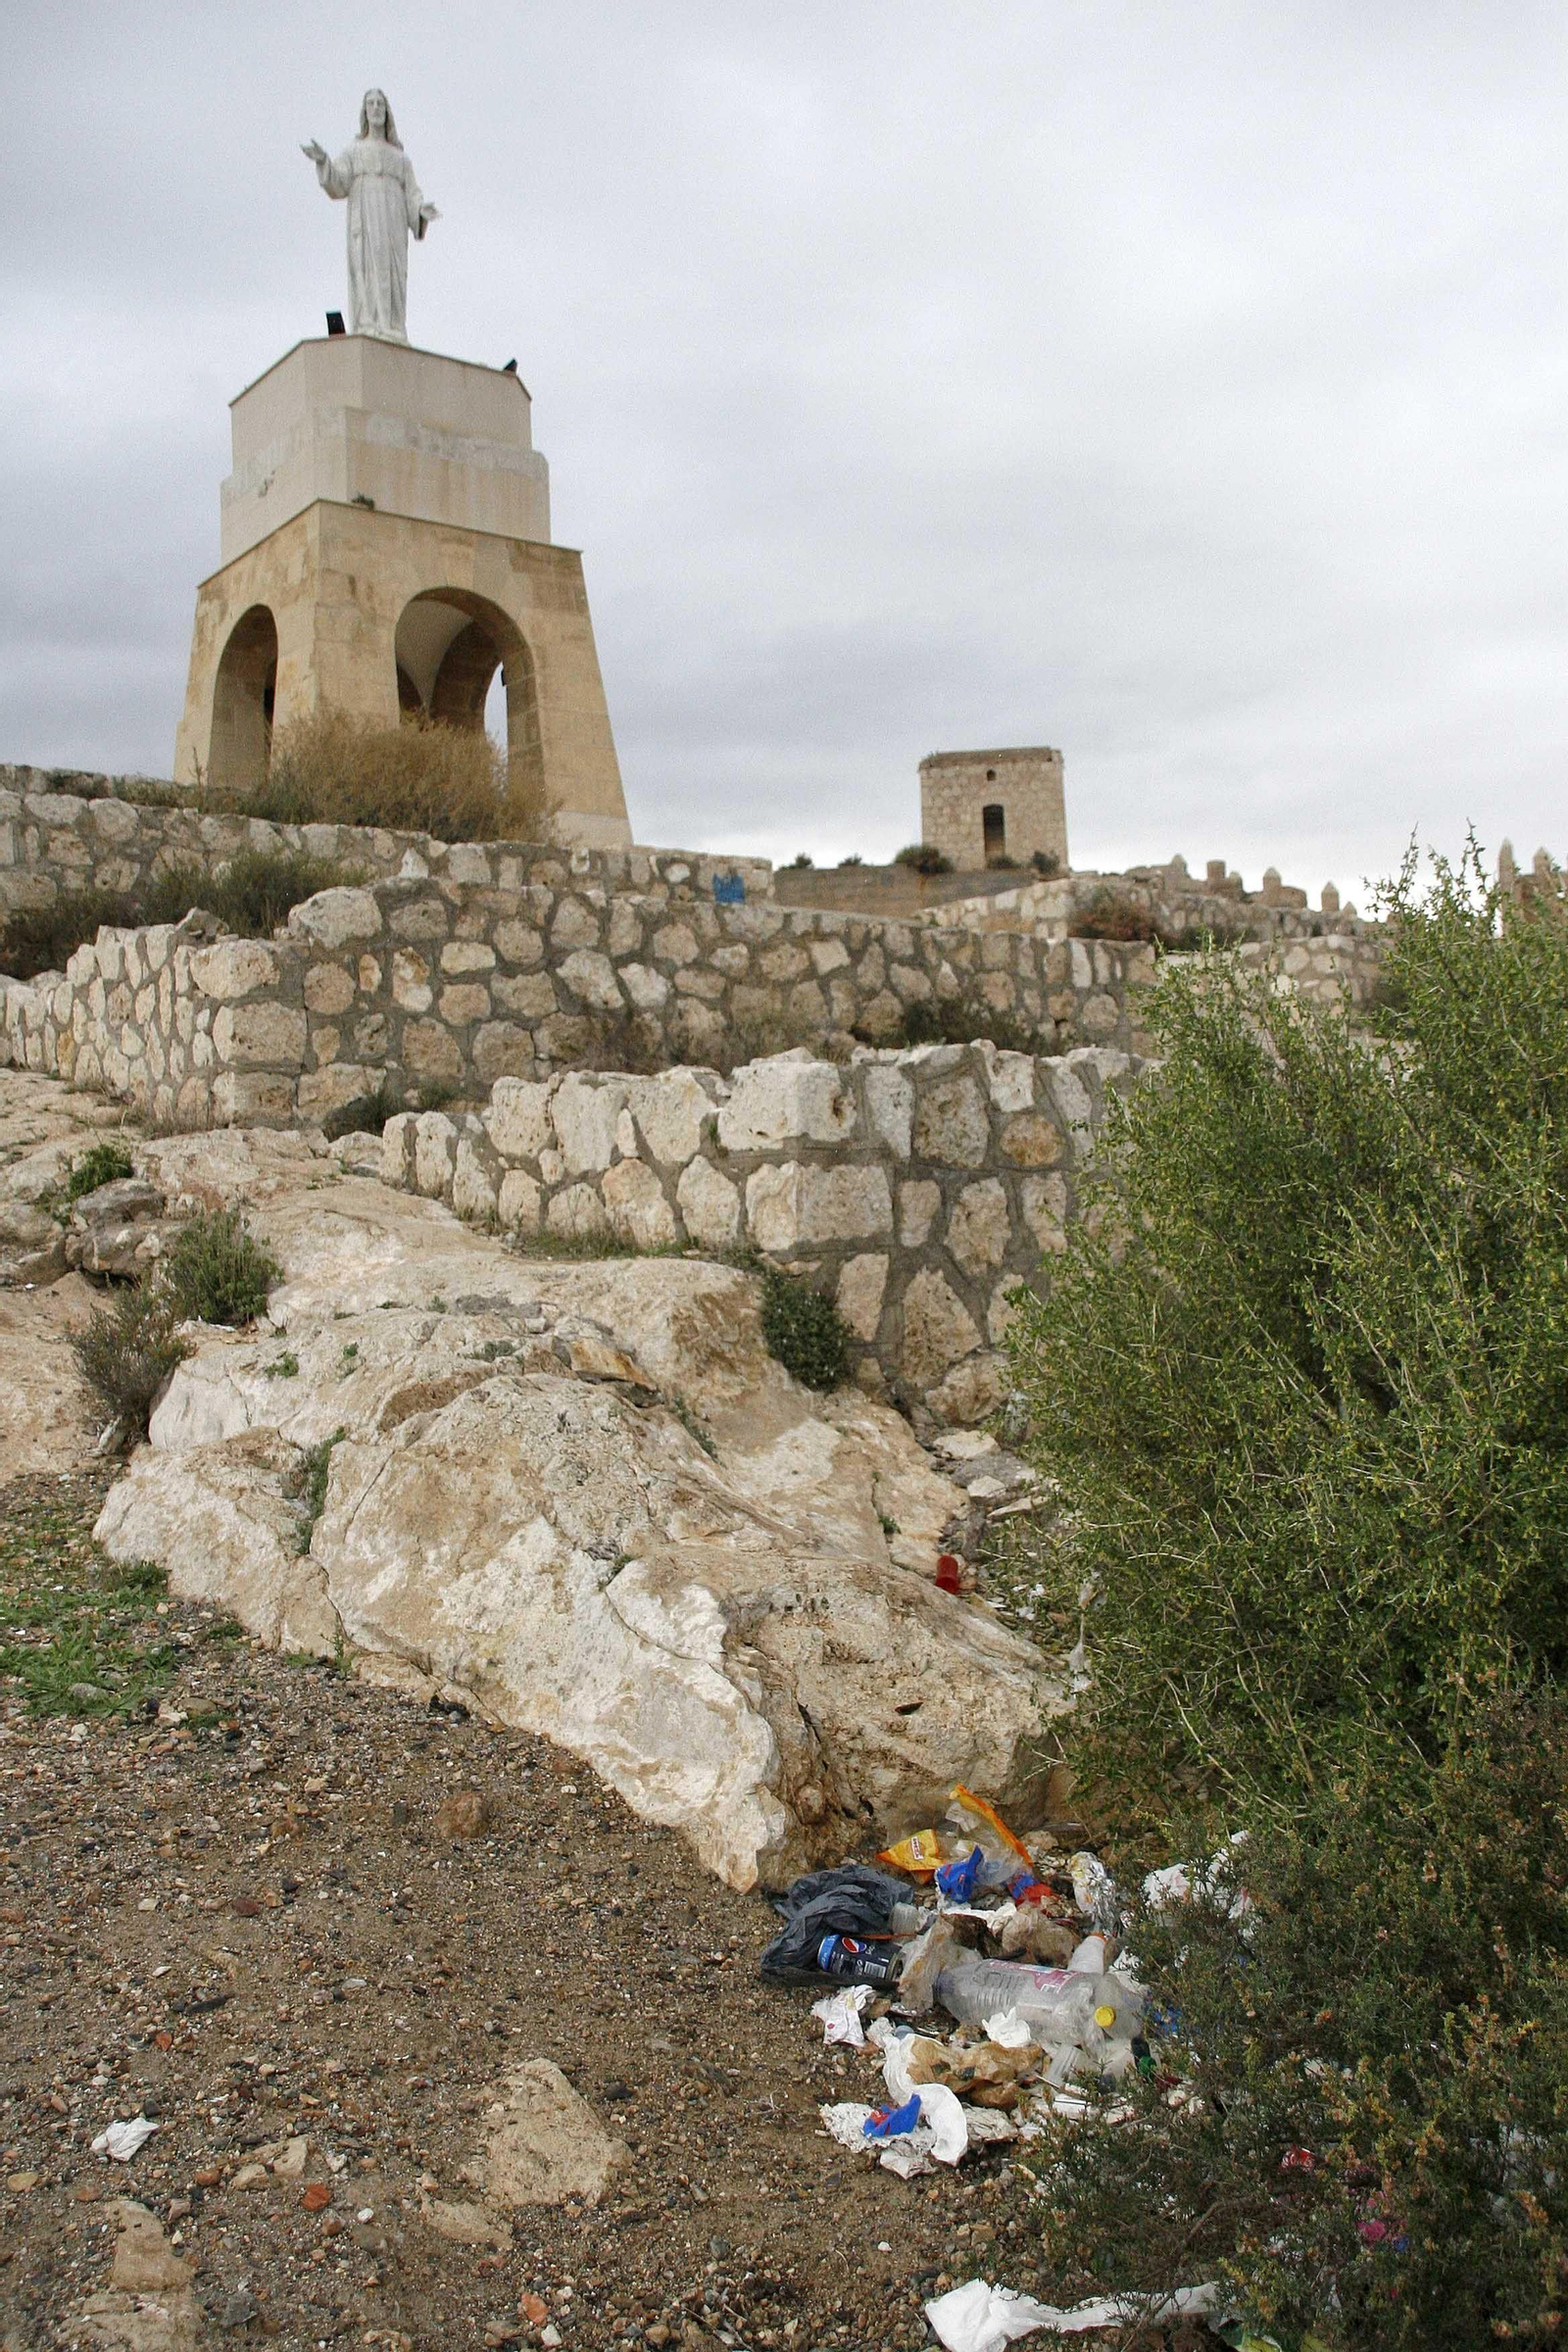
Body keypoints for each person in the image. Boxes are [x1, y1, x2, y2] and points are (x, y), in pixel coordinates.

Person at [302, 89, 438, 343]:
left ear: (387, 113)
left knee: (392, 273)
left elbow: (413, 195)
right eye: (370, 104)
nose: (375, 108)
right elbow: (339, 184)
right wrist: (323, 162)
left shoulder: (401, 160)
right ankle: (370, 323)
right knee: (368, 270)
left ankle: (392, 326)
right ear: (364, 112)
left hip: (392, 222)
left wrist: (421, 212)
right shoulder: (355, 151)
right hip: (365, 222)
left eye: (380, 104)